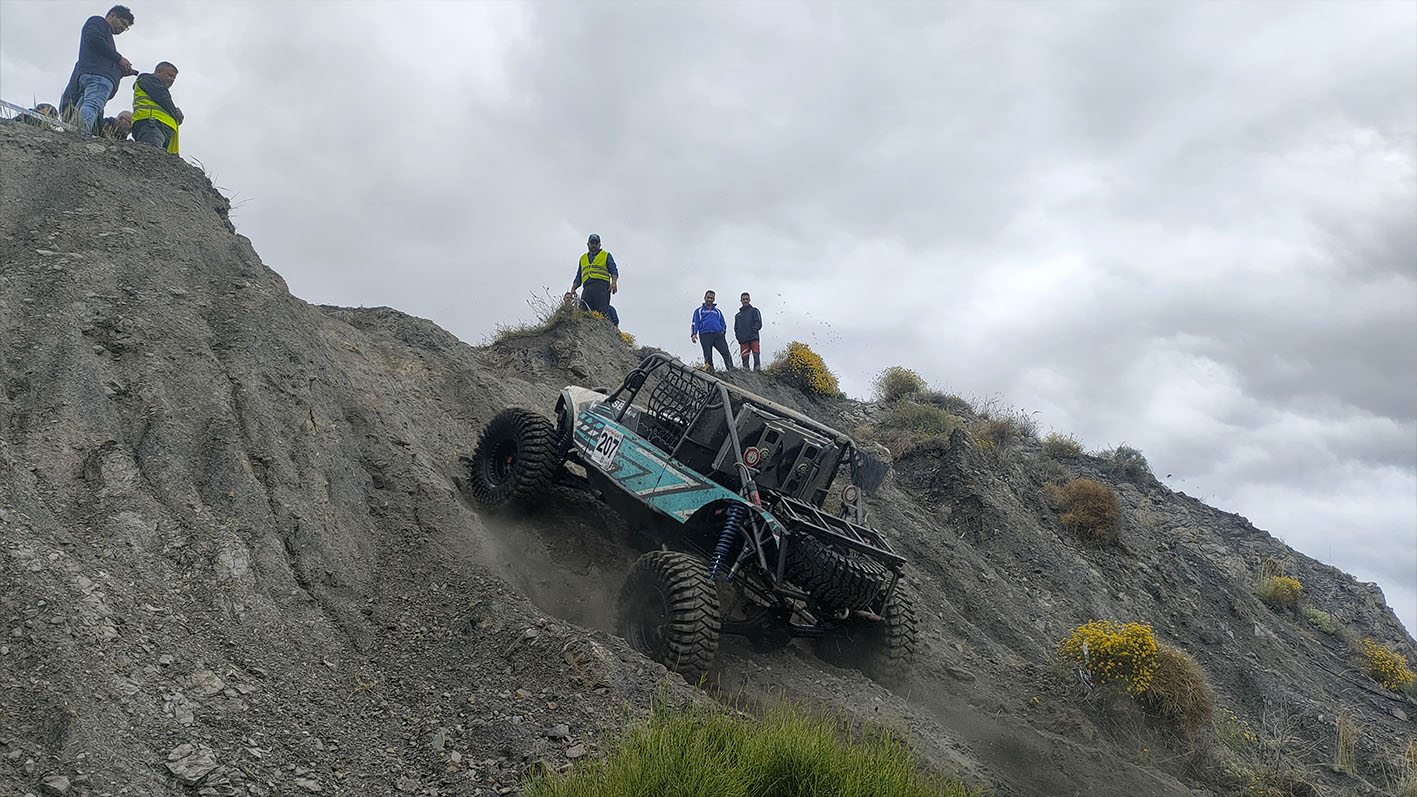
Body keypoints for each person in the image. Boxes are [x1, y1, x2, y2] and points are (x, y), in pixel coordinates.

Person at [58, 6, 136, 135]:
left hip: (90, 75)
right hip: (98, 77)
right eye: (123, 23)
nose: (123, 28)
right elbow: (94, 38)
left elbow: (101, 53)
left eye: (126, 27)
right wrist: (119, 58)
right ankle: (81, 135)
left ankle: (72, 136)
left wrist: (120, 70)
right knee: (92, 105)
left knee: (83, 106)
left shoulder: (105, 37)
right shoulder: (98, 22)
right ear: (112, 15)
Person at [131, 62, 183, 153]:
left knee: (158, 158)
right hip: (151, 124)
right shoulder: (148, 79)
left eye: (174, 78)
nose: (172, 80)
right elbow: (163, 98)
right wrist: (176, 114)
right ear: (158, 72)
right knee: (151, 153)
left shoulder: (158, 87)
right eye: (170, 75)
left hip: (162, 128)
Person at [569, 234, 618, 316]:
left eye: (596, 243)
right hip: (587, 288)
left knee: (601, 312)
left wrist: (613, 283)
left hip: (601, 287)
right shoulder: (583, 258)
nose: (594, 245)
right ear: (588, 244)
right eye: (592, 243)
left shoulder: (606, 255)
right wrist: (573, 289)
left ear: (599, 244)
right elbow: (579, 276)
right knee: (584, 311)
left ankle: (602, 325)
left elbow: (614, 271)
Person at [690, 290, 733, 371]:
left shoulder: (717, 311)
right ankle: (710, 371)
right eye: (708, 297)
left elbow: (723, 323)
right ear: (704, 298)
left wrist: (722, 332)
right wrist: (693, 334)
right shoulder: (699, 310)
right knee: (708, 355)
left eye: (711, 298)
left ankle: (732, 370)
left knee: (726, 353)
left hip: (718, 335)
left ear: (714, 299)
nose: (709, 299)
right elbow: (695, 323)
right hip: (705, 335)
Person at [734, 292, 763, 370]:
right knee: (745, 357)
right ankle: (746, 372)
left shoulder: (754, 310)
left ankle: (757, 370)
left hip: (753, 337)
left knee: (756, 354)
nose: (745, 301)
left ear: (749, 300)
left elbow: (758, 322)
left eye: (747, 299)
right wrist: (738, 337)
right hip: (743, 339)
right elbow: (736, 328)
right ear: (741, 300)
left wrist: (754, 330)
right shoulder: (738, 315)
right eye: (743, 299)